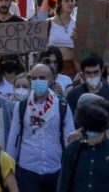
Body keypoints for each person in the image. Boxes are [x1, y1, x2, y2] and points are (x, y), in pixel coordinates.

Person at [6, 63, 75, 191]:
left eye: (42, 78)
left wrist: (70, 169)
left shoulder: (62, 106)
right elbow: (13, 139)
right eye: (34, 78)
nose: (38, 81)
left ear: (52, 80)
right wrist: (9, 170)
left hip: (54, 169)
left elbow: (69, 139)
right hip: (27, 170)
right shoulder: (21, 106)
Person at [56, 102, 109, 192]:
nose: (93, 137)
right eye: (90, 131)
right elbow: (64, 182)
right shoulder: (73, 150)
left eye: (97, 132)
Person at [66, 55, 109, 123]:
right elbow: (69, 120)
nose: (92, 76)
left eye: (96, 72)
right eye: (88, 73)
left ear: (102, 70)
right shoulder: (74, 94)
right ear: (83, 74)